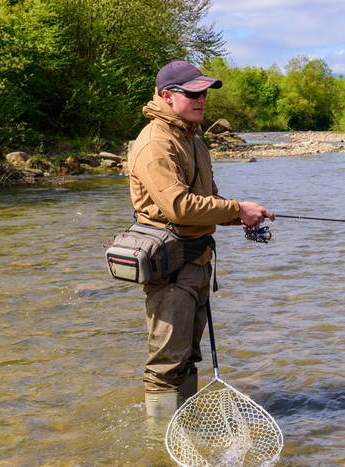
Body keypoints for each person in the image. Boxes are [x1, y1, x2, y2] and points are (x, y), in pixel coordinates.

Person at [128, 60, 274, 418]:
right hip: (171, 268)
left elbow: (209, 201)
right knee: (166, 365)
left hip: (198, 264)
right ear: (167, 96)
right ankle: (158, 440)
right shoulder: (154, 143)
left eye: (204, 92)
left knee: (188, 358)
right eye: (193, 92)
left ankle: (185, 424)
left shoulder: (194, 140)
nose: (202, 98)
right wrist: (237, 208)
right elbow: (177, 206)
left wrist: (238, 216)